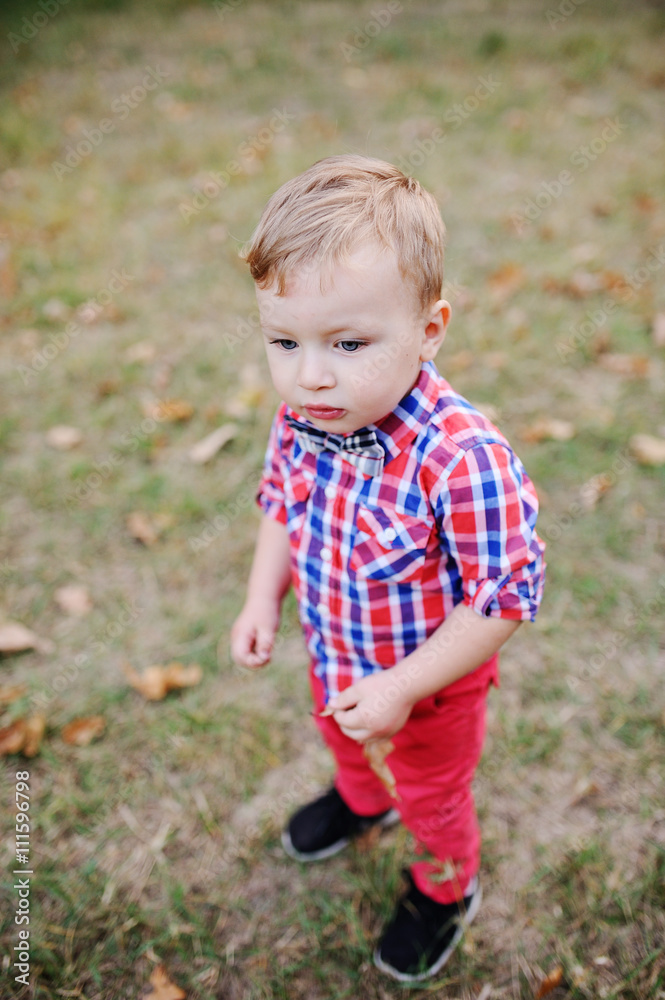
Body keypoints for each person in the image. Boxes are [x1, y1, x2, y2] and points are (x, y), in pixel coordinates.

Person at [230, 154, 545, 982]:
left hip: (431, 688)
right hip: (334, 650)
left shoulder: (461, 458)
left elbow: (503, 597)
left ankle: (445, 887)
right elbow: (281, 503)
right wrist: (262, 597)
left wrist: (404, 685)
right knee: (339, 734)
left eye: (347, 342)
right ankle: (360, 802)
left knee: (432, 797)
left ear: (429, 329)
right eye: (283, 342)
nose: (311, 373)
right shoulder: (305, 415)